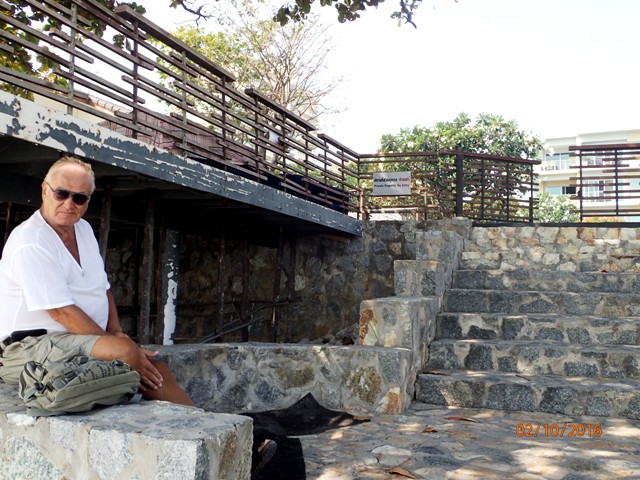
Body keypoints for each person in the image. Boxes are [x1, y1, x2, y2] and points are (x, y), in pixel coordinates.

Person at [0, 156, 194, 406]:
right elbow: (61, 312)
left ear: (88, 200)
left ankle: (205, 423)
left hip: (75, 340)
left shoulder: (83, 230)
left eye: (79, 198)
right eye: (61, 193)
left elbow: (102, 289)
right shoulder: (31, 241)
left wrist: (116, 332)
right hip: (29, 347)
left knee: (154, 368)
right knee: (126, 354)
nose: (69, 204)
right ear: (44, 190)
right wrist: (113, 344)